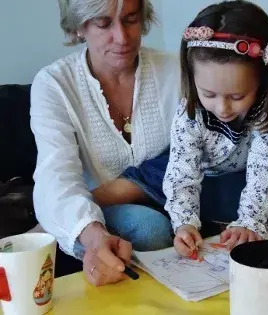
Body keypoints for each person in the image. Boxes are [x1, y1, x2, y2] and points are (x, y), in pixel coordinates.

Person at [93, 0, 268, 256]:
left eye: (236, 97)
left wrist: (248, 222)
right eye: (209, 94)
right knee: (142, 182)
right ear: (193, 79)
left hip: (232, 175)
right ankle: (73, 207)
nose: (222, 109)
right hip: (185, 163)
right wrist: (185, 223)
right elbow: (182, 175)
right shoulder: (190, 114)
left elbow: (262, 171)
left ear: (264, 80)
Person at [30, 0, 180, 286]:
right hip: (96, 213)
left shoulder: (176, 71)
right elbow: (56, 175)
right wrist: (93, 234)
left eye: (131, 19)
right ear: (79, 27)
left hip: (177, 201)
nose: (122, 38)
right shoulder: (54, 84)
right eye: (103, 23)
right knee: (148, 228)